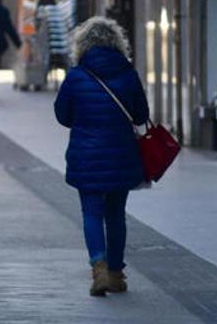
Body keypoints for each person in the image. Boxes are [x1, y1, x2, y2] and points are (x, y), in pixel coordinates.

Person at [53, 16, 149, 297]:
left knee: (92, 213)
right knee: (116, 214)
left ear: (82, 46)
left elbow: (62, 115)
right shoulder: (128, 73)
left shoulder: (76, 76)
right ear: (118, 43)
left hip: (87, 156)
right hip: (121, 156)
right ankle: (117, 274)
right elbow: (141, 115)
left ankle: (99, 269)